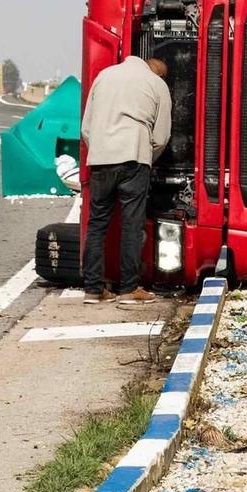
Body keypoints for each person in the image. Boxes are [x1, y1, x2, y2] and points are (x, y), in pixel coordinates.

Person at [78, 53, 172, 305]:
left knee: (97, 224)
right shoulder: (156, 84)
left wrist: (101, 148)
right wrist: (146, 155)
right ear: (158, 73)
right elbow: (161, 136)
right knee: (132, 224)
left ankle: (93, 289)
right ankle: (130, 289)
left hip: (100, 159)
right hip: (133, 157)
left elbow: (86, 127)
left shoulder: (104, 76)